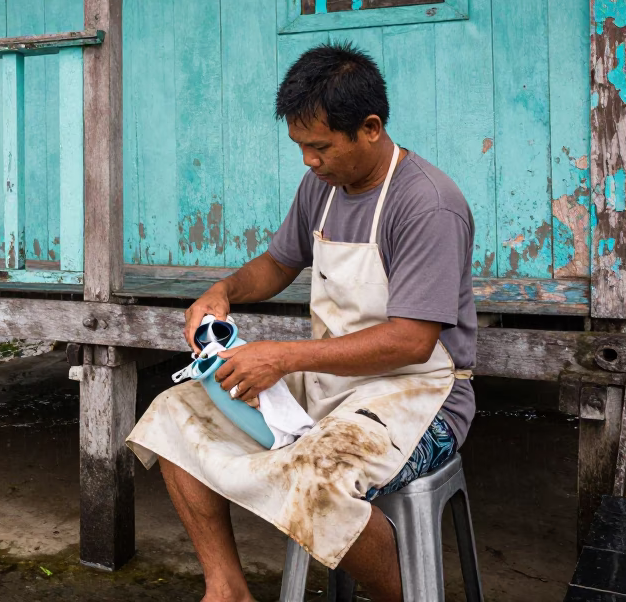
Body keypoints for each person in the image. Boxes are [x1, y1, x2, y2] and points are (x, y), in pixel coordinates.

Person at [126, 42, 477, 602]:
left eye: (319, 147)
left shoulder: (428, 204)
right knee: (175, 415)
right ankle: (227, 589)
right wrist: (221, 293)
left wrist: (282, 357)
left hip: (421, 396)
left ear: (370, 128)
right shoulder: (323, 187)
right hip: (331, 382)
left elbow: (412, 341)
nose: (308, 162)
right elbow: (276, 264)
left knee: (314, 475)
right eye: (300, 147)